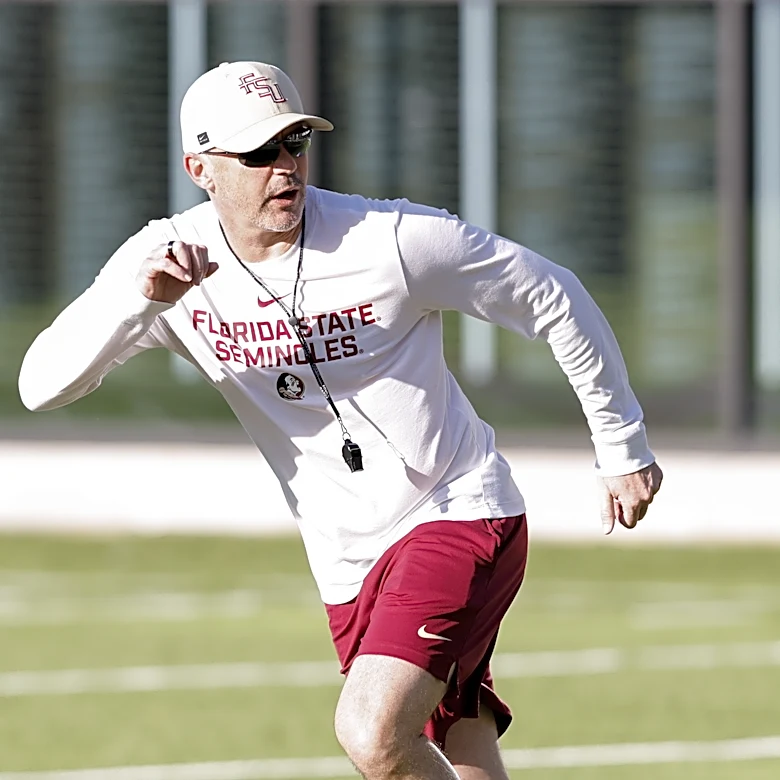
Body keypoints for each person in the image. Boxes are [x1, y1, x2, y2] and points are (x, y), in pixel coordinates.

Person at [18, 61, 663, 780]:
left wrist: (622, 446)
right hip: (346, 557)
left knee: (372, 732)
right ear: (199, 167)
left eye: (295, 143)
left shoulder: (388, 237)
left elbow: (553, 294)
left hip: (458, 507)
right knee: (457, 742)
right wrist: (143, 302)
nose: (285, 167)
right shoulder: (165, 260)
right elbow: (40, 386)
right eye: (260, 153)